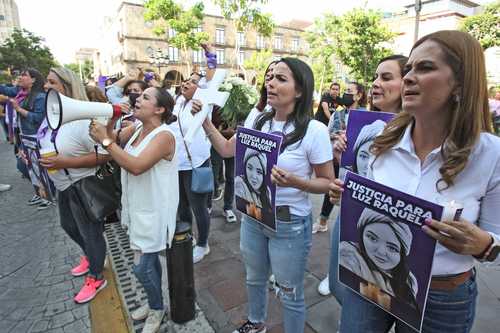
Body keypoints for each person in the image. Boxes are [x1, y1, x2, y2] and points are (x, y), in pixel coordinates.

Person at [329, 30, 500, 333]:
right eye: (408, 68)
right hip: (369, 277)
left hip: (442, 297)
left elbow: (496, 237)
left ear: (460, 83)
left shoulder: (491, 154)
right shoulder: (381, 137)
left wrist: (484, 244)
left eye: (425, 68)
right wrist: (347, 195)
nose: (408, 77)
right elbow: (366, 200)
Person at [194, 58, 333, 333]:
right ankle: (256, 323)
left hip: (289, 224)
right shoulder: (257, 119)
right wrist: (206, 122)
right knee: (254, 278)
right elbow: (225, 150)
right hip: (254, 217)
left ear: (300, 90)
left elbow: (327, 182)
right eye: (271, 77)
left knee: (289, 292)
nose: (271, 83)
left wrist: (296, 182)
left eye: (281, 79)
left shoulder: (314, 131)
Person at [317, 55, 409, 298]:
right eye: (376, 77)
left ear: (407, 83)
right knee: (339, 285)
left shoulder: (418, 131)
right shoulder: (363, 124)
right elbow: (356, 174)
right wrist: (341, 157)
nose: (376, 83)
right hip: (351, 213)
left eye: (386, 77)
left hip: (386, 226)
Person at [89, 87, 178, 333]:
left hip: (155, 211)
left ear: (160, 109)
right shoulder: (138, 128)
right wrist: (112, 120)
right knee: (148, 263)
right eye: (139, 96)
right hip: (138, 208)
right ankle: (154, 302)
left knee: (141, 267)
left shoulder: (164, 135)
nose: (137, 99)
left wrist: (105, 140)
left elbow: (137, 166)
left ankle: (158, 308)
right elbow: (114, 139)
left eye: (145, 97)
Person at [39, 67, 110, 304]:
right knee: (69, 226)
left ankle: (97, 276)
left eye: (51, 82)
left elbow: (105, 156)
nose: (45, 86)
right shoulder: (51, 118)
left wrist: (65, 161)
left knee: (91, 234)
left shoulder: (81, 122)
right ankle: (93, 257)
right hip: (63, 185)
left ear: (66, 87)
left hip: (82, 185)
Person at [168, 43, 217, 264]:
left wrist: (210, 55)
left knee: (199, 208)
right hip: (175, 164)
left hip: (195, 163)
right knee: (181, 206)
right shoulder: (177, 103)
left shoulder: (203, 102)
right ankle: (187, 237)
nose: (187, 83)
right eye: (186, 81)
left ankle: (203, 244)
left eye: (194, 82)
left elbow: (213, 78)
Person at [312, 82, 367, 235]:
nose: (346, 94)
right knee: (332, 189)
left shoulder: (367, 116)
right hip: (336, 160)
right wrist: (336, 137)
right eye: (346, 91)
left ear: (359, 95)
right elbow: (328, 133)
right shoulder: (338, 113)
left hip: (356, 164)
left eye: (350, 91)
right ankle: (322, 221)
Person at [339, 208, 418, 311]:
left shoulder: (409, 281)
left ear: (402, 255)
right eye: (372, 238)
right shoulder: (349, 255)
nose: (380, 252)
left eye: (392, 248)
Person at [0, 68, 47, 207]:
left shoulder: (40, 96)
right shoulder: (21, 92)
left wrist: (19, 109)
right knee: (28, 167)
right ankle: (39, 193)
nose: (20, 77)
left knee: (36, 168)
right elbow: (5, 90)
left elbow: (38, 118)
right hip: (24, 135)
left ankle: (47, 195)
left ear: (33, 80)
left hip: (35, 136)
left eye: (24, 75)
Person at [234, 148, 272, 223]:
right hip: (250, 224)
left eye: (259, 172)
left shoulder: (266, 191)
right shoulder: (240, 183)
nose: (254, 176)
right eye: (249, 168)